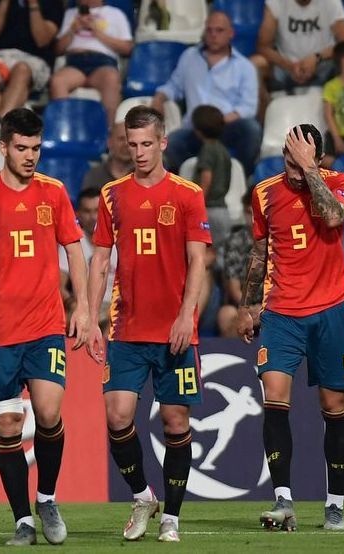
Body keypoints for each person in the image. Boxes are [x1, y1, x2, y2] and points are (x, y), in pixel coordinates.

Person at [0, 108, 89, 546]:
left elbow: (75, 250)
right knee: (8, 425)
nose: (30, 156)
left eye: (36, 149)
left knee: (48, 413)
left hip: (46, 325)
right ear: (4, 147)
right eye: (22, 148)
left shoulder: (54, 192)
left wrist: (83, 307)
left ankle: (46, 497)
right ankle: (22, 520)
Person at [88, 105, 211, 543]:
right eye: (132, 144)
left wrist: (186, 316)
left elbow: (198, 261)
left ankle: (172, 517)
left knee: (176, 422)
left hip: (174, 331)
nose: (139, 152)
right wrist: (90, 316)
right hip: (126, 328)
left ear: (162, 142)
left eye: (146, 144)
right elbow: (100, 260)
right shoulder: (112, 195)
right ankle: (143, 496)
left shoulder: (187, 194)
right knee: (117, 416)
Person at [238, 124, 344, 532]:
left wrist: (310, 172)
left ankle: (335, 507)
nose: (292, 169)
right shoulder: (264, 192)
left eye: (301, 161)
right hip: (282, 311)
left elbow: (333, 216)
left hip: (331, 309)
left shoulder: (337, 182)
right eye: (288, 161)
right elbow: (260, 252)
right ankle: (283, 500)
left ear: (317, 159)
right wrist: (248, 305)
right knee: (274, 396)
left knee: (334, 405)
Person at [151, 10, 260, 176]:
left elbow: (248, 107)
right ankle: (186, 184)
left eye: (219, 30)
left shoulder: (244, 67)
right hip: (195, 129)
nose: (213, 35)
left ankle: (243, 177)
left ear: (231, 33)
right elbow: (174, 86)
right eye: (209, 30)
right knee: (170, 144)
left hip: (226, 126)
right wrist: (159, 98)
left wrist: (218, 121)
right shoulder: (189, 57)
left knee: (252, 129)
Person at [0, 0, 63, 144]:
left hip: (33, 57)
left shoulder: (52, 3)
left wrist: (33, 5)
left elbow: (42, 40)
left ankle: (0, 126)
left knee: (22, 70)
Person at [50, 0, 133, 125]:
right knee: (57, 81)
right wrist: (72, 30)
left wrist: (97, 32)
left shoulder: (116, 14)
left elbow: (127, 48)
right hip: (74, 62)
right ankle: (65, 128)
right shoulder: (70, 13)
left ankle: (108, 130)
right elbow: (58, 50)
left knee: (111, 79)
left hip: (103, 62)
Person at [252, 0, 344, 98]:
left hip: (323, 65)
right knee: (255, 64)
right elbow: (263, 46)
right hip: (286, 66)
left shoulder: (331, 2)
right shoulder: (276, 2)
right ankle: (268, 106)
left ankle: (341, 101)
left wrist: (316, 58)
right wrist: (289, 66)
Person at [59, 187, 116, 330]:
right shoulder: (73, 242)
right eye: (87, 211)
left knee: (114, 322)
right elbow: (59, 285)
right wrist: (74, 304)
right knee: (62, 320)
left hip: (114, 306)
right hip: (82, 305)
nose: (93, 217)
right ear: (78, 214)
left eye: (97, 211)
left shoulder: (119, 240)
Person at [216, 189, 257, 338]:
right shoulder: (235, 241)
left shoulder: (280, 239)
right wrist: (248, 309)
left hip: (274, 306)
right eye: (249, 212)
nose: (253, 218)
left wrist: (265, 308)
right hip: (243, 305)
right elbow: (233, 287)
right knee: (226, 314)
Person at [191, 104, 232, 247]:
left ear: (198, 131)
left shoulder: (207, 150)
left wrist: (197, 205)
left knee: (206, 253)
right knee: (220, 255)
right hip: (223, 212)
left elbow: (206, 177)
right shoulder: (224, 151)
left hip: (209, 212)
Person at [81, 120, 132, 191]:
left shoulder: (144, 175)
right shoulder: (94, 176)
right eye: (121, 139)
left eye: (130, 140)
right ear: (109, 142)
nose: (126, 144)